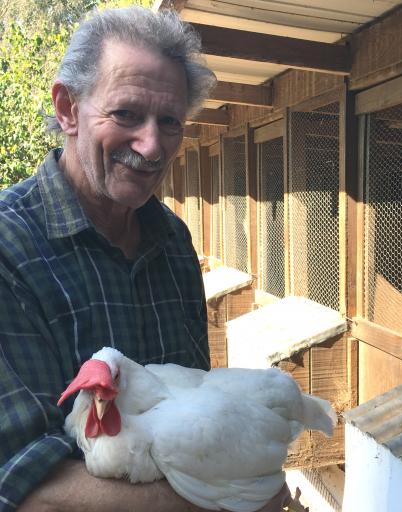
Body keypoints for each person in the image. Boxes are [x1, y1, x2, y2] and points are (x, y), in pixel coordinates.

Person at [0, 7, 288, 512]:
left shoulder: (172, 239)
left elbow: (198, 403)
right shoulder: (10, 248)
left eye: (170, 121)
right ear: (68, 108)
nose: (152, 146)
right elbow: (23, 484)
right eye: (127, 114)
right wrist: (221, 502)